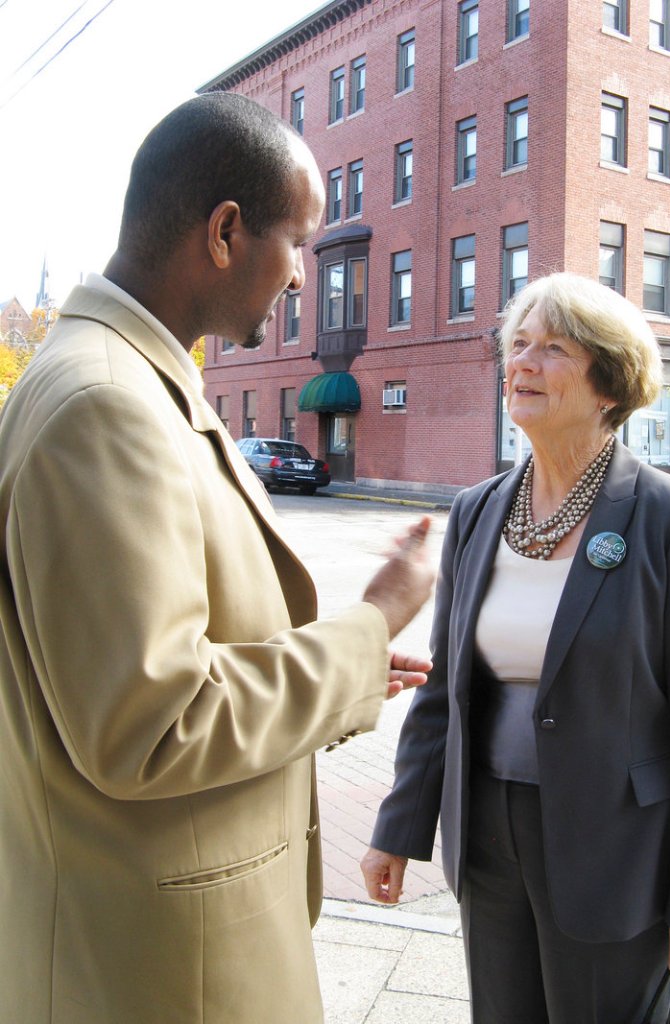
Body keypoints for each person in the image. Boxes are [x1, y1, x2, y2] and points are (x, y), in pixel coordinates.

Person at [0, 94, 435, 1024]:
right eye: (300, 245)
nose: (303, 281)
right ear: (227, 232)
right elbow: (152, 725)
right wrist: (370, 627)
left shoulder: (124, 381)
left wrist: (331, 658)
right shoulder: (106, 404)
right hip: (162, 975)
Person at [362, 273, 670, 1024]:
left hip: (619, 855)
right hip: (488, 842)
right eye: (517, 345)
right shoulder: (476, 510)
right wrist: (398, 828)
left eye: (553, 348)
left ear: (609, 383)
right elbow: (447, 693)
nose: (523, 363)